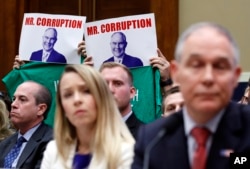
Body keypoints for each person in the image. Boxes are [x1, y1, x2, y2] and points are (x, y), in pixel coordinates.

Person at [132, 22, 250, 169]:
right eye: (196, 65)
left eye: (220, 66)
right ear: (177, 73)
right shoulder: (152, 139)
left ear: (235, 76)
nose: (208, 78)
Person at [41, 64, 135, 169]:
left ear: (102, 98)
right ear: (62, 107)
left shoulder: (127, 152)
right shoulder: (53, 150)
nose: (77, 100)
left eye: (86, 91)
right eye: (68, 95)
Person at [0, 81, 53, 169]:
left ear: (41, 109)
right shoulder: (5, 143)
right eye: (14, 99)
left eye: (22, 99)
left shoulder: (51, 142)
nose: (13, 104)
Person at [99, 62, 144, 139]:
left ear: (131, 92)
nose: (110, 89)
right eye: (104, 84)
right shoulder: (87, 134)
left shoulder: (146, 135)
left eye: (117, 83)